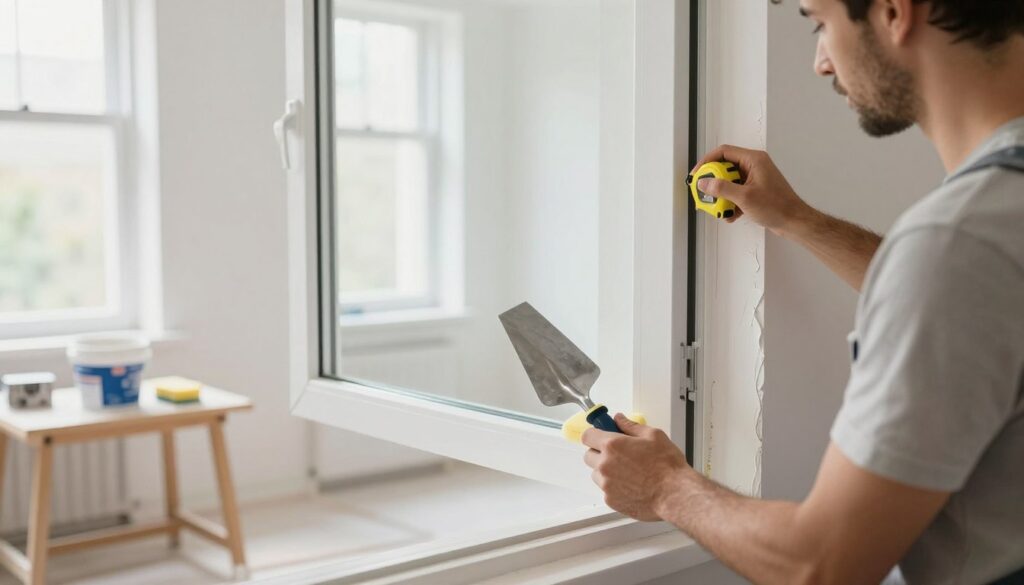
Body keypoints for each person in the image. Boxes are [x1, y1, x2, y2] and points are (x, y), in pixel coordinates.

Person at [581, 1, 1024, 583]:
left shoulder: (956, 241)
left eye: (820, 22)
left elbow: (823, 562)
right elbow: (976, 303)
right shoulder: (991, 223)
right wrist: (795, 219)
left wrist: (666, 486)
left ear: (894, 12)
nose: (820, 60)